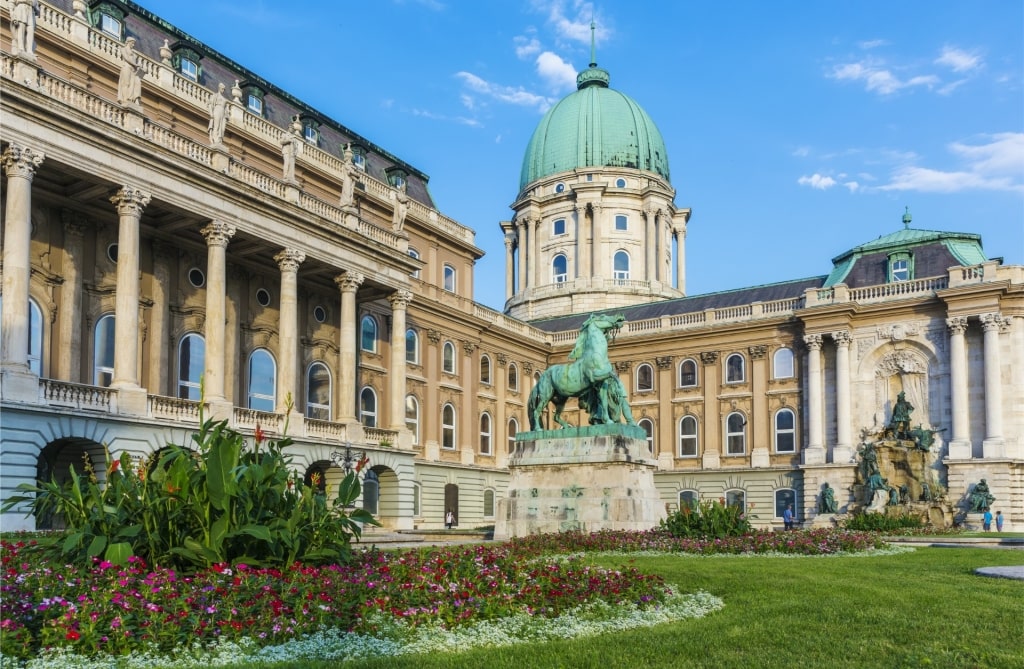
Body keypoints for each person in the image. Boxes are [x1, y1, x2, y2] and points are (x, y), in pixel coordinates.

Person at [117, 37, 144, 106]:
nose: (133, 45)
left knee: (133, 84)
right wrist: (136, 64)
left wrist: (140, 68)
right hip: (126, 67)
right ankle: (125, 99)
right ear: (128, 42)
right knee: (126, 83)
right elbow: (126, 58)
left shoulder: (134, 54)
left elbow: (135, 64)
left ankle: (130, 99)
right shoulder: (123, 49)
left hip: (133, 70)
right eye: (132, 43)